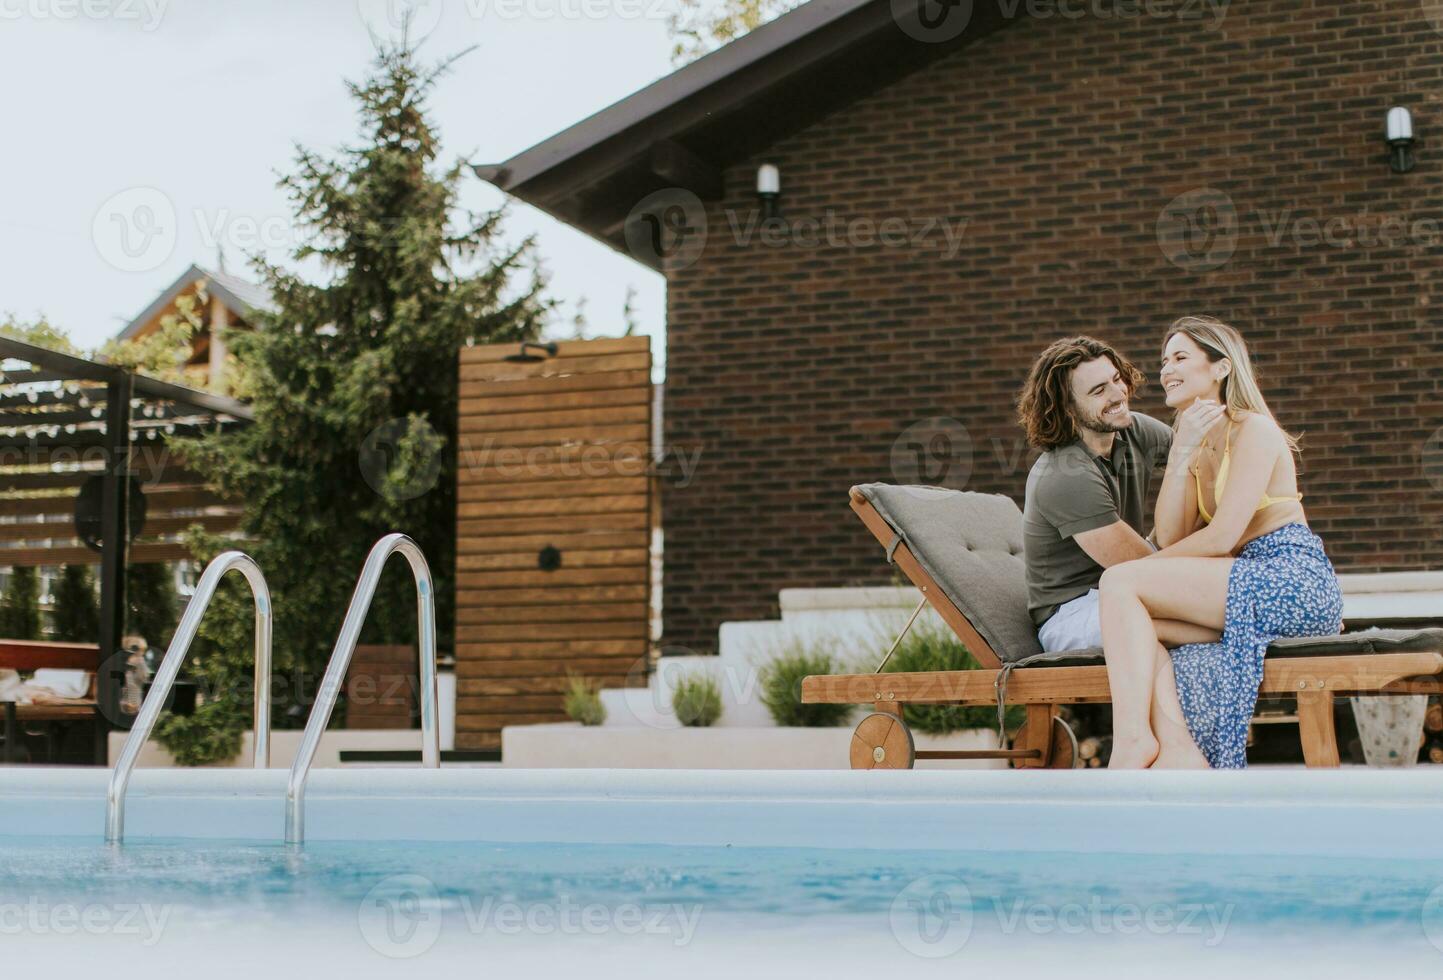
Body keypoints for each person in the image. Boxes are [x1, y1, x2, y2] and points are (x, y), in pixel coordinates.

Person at [1097, 315, 1344, 769]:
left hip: (1290, 580)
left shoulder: (1255, 429)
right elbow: (1173, 535)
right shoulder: (1195, 441)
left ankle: (1131, 742)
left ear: (1221, 368)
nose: (1166, 369)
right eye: (1163, 359)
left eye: (1180, 357)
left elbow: (1223, 536)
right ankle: (1179, 749)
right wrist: (1182, 450)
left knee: (1120, 585)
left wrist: (1138, 571)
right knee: (1133, 620)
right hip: (1242, 585)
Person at [1017, 337, 1210, 765]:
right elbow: (1138, 570)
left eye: (1116, 379)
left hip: (1123, 593)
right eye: (1098, 390)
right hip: (1073, 612)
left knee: (1162, 618)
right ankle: (1168, 746)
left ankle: (1170, 748)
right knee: (1154, 621)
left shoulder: (1132, 430)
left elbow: (1207, 454)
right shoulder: (1065, 475)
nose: (1118, 393)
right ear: (1067, 410)